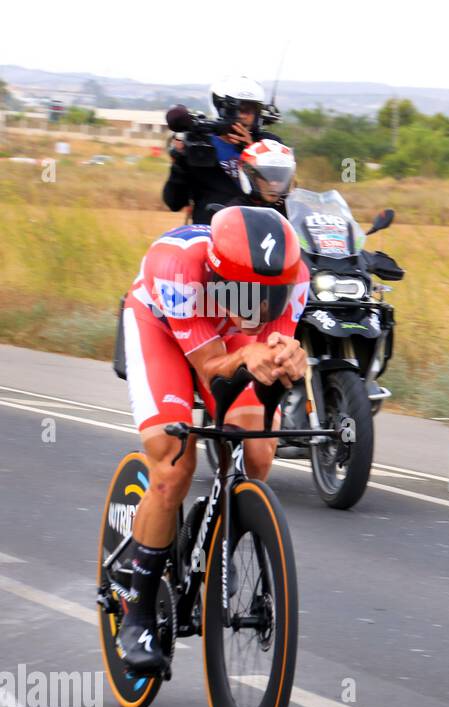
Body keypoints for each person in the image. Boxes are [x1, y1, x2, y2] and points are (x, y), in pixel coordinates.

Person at [115, 205, 309, 676]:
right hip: (161, 329)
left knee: (258, 448)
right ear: (220, 278)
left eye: (273, 298)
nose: (262, 310)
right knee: (172, 466)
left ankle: (218, 533)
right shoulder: (178, 268)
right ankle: (136, 609)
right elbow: (209, 367)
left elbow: (266, 357)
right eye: (249, 297)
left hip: (225, 337)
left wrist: (286, 362)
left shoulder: (298, 277)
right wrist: (254, 354)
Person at [162, 75, 283, 225]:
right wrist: (179, 161)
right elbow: (174, 202)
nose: (244, 116)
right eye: (238, 109)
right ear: (220, 108)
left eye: (250, 110)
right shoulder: (198, 143)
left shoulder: (270, 145)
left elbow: (280, 196)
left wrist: (252, 152)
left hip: (260, 232)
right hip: (212, 234)